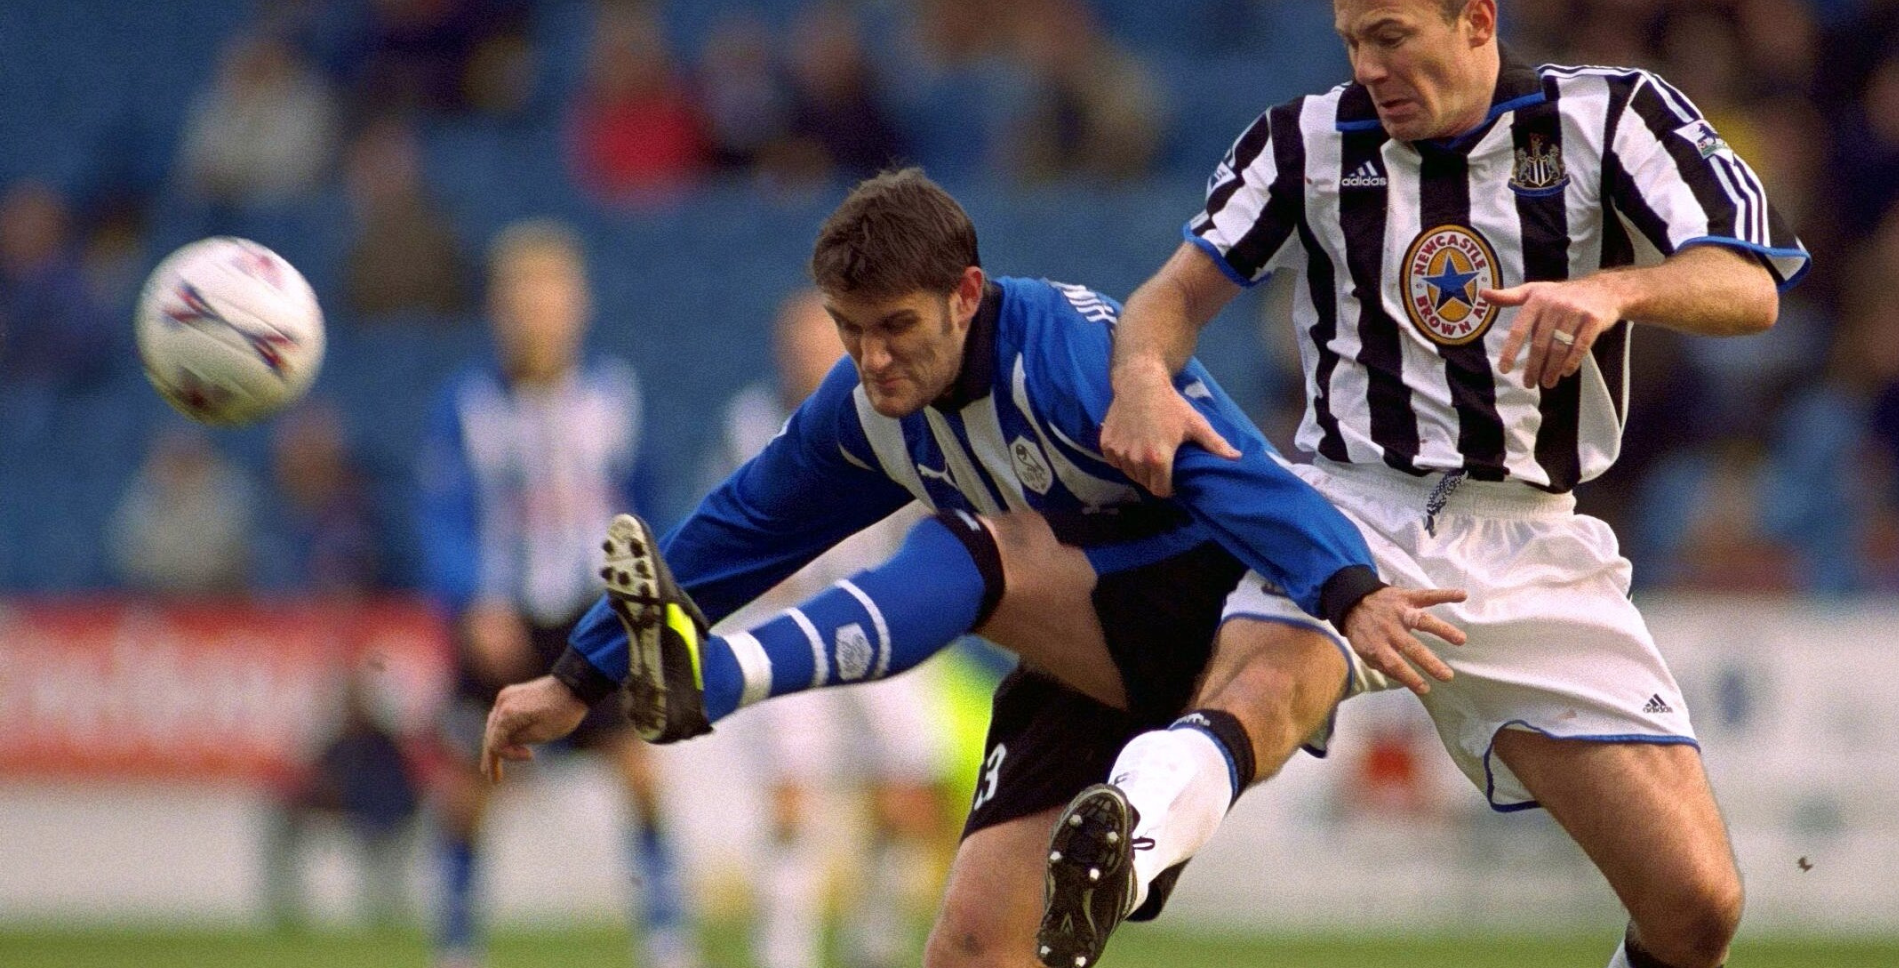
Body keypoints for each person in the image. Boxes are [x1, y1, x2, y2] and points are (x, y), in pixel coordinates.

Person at [480, 167, 1461, 967]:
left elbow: (1243, 474)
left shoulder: (1075, 357)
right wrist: (577, 679)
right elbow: (740, 526)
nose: (870, 358)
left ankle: (717, 678)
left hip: (1206, 618)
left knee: (974, 544)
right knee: (973, 946)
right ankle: (703, 677)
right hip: (1078, 652)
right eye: (849, 328)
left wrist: (1351, 592)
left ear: (964, 296)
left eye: (894, 327)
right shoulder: (864, 409)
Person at [1094, 0, 1809, 968]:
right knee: (1263, 691)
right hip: (1352, 505)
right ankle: (1126, 841)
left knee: (1697, 909)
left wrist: (1614, 291)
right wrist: (1141, 378)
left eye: (1391, 36)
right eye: (1352, 41)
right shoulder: (1304, 142)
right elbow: (1170, 298)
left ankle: (1136, 828)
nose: (1367, 67)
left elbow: (1751, 287)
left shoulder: (1612, 118)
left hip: (1533, 543)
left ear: (1477, 19)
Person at [415, 220, 698, 968]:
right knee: (468, 780)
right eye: (521, 301)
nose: (536, 317)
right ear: (496, 311)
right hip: (499, 614)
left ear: (579, 307)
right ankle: (456, 934)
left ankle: (665, 926)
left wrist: (648, 599)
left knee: (638, 766)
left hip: (591, 613)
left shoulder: (615, 397)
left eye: (550, 299)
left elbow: (647, 502)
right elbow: (443, 514)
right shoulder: (466, 405)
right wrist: (471, 599)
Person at [716, 290, 952, 968]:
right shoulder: (751, 423)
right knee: (793, 799)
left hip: (881, 614)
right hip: (789, 621)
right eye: (799, 344)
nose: (810, 356)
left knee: (906, 795)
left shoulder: (897, 412)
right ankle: (783, 952)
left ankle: (871, 942)